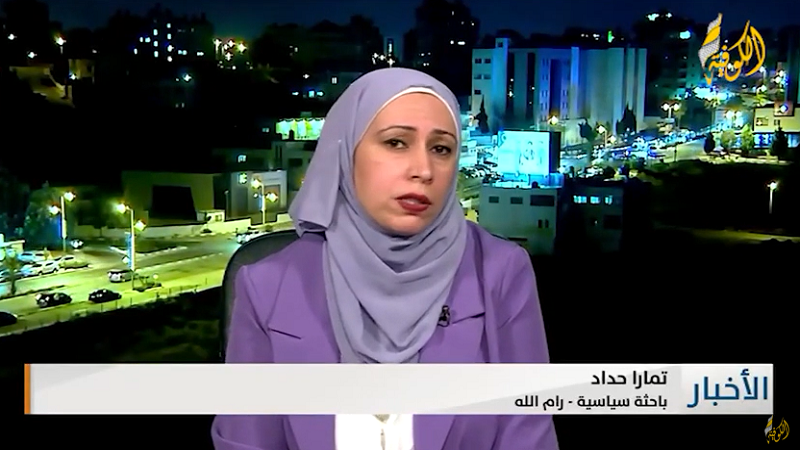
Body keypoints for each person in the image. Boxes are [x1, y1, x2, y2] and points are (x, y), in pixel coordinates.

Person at [213, 68, 558, 450]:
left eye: (441, 149)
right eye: (396, 142)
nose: (423, 170)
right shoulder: (267, 287)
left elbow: (529, 437)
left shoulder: (500, 274)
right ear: (346, 152)